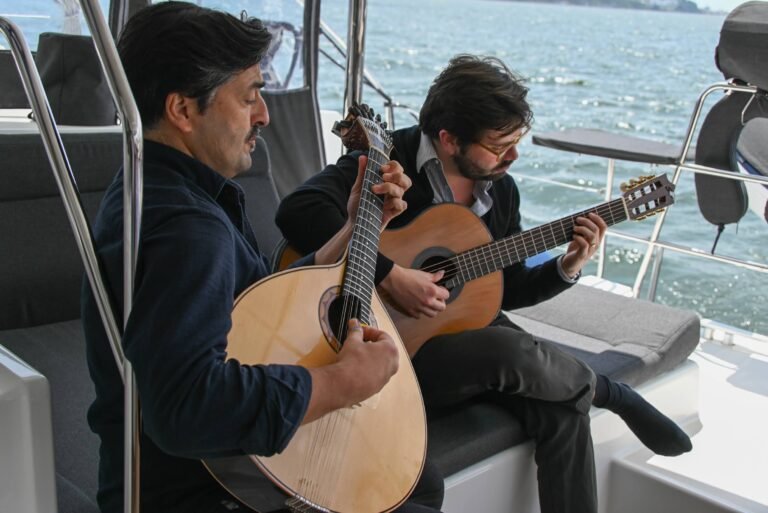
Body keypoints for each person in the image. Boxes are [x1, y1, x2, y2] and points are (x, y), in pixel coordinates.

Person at [275, 54, 693, 513]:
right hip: (389, 351)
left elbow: (503, 288)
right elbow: (298, 211)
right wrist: (391, 277)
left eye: (517, 142)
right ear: (449, 139)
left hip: (457, 344)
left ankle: (586, 397)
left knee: (562, 408)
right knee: (508, 350)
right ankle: (611, 392)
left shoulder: (501, 189)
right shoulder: (384, 160)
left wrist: (567, 267)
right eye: (499, 145)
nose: (512, 157)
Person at [80, 3, 444, 513]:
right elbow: (187, 408)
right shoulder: (190, 228)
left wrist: (357, 227)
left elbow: (252, 310)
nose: (265, 114)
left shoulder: (154, 188)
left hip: (189, 476)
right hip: (210, 492)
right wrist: (343, 383)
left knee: (420, 482)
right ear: (183, 111)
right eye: (250, 95)